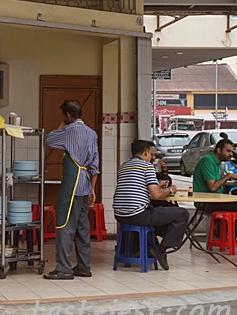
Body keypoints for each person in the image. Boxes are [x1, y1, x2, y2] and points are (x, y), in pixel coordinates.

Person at [43, 100, 100, 280]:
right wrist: (93, 189)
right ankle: (84, 267)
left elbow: (49, 139)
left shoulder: (69, 131)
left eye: (64, 115)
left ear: (68, 115)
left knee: (64, 224)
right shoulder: (92, 133)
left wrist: (62, 124)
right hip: (85, 185)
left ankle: (63, 268)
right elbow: (95, 165)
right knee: (83, 228)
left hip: (72, 185)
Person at [113, 140, 189, 270]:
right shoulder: (146, 166)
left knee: (161, 216)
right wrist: (171, 190)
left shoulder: (124, 166)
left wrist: (157, 185)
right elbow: (157, 195)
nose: (153, 157)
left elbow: (134, 186)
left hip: (120, 215)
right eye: (151, 154)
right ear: (146, 152)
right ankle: (161, 249)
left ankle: (152, 247)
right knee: (182, 214)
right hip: (138, 214)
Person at [192, 137, 237, 212]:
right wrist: (229, 175)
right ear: (219, 150)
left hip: (216, 198)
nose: (231, 154)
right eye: (228, 151)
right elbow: (212, 187)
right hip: (205, 202)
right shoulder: (207, 161)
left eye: (232, 152)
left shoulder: (218, 163)